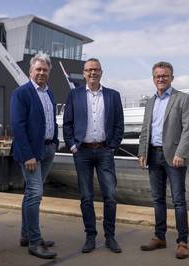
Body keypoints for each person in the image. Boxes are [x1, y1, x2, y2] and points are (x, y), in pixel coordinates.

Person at [63, 58, 124, 254]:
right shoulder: (74, 95)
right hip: (82, 152)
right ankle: (90, 236)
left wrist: (112, 146)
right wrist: (73, 146)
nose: (92, 73)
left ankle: (110, 237)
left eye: (96, 69)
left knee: (111, 196)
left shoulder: (113, 96)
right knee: (86, 197)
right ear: (84, 73)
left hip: (105, 151)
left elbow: (119, 125)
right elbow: (67, 124)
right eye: (89, 70)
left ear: (101, 72)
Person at [138, 61, 189, 259]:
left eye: (165, 75)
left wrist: (180, 152)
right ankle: (159, 237)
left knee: (178, 200)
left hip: (175, 157)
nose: (161, 78)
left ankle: (183, 241)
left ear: (171, 77)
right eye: (157, 76)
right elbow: (145, 129)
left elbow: (188, 130)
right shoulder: (151, 102)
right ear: (153, 79)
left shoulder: (183, 99)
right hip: (153, 155)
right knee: (157, 199)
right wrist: (142, 152)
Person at [10, 53, 58, 260]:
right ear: (30, 71)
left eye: (45, 70)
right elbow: (18, 126)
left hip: (47, 149)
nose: (41, 72)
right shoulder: (22, 93)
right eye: (37, 69)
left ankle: (25, 234)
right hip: (30, 153)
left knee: (31, 193)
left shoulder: (50, 94)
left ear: (49, 72)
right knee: (35, 194)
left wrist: (55, 142)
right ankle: (34, 242)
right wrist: (29, 155)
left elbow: (51, 120)